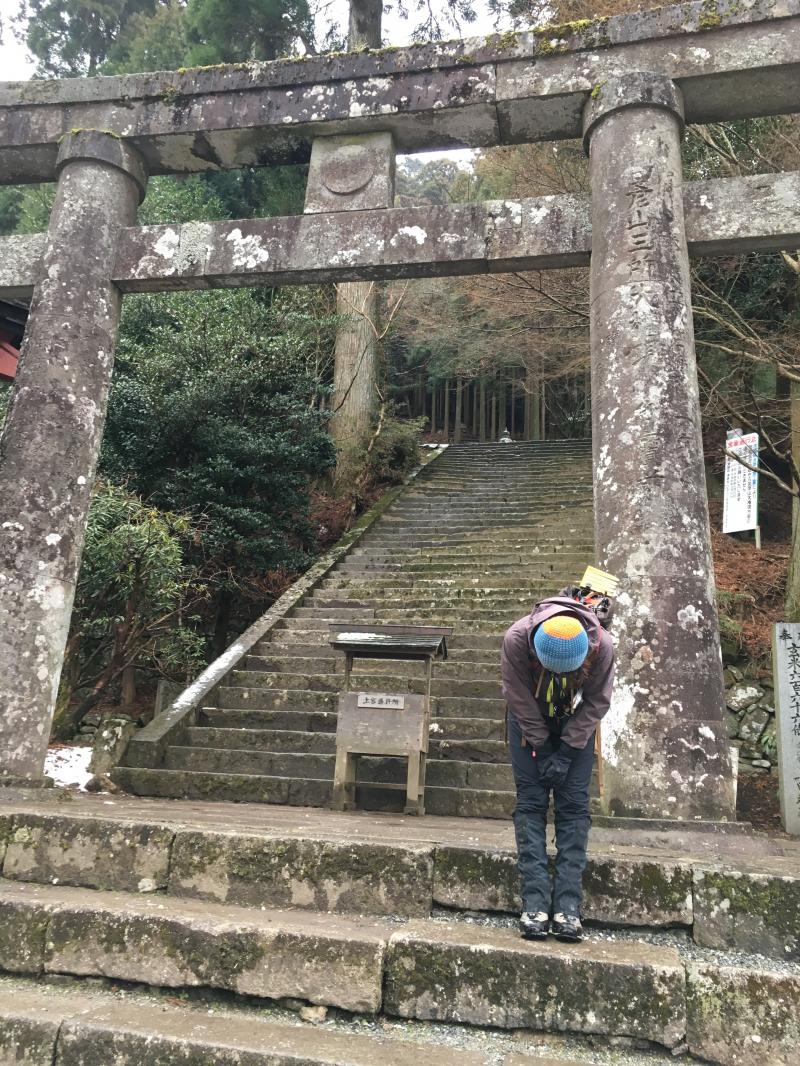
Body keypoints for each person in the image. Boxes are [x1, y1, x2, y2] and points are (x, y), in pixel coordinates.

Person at [500, 593, 614, 942]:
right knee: (531, 802)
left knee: (575, 806)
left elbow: (597, 700)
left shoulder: (602, 646)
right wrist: (544, 746)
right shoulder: (517, 640)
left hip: (576, 723)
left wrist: (566, 750)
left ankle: (568, 906)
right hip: (528, 721)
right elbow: (518, 698)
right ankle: (534, 903)